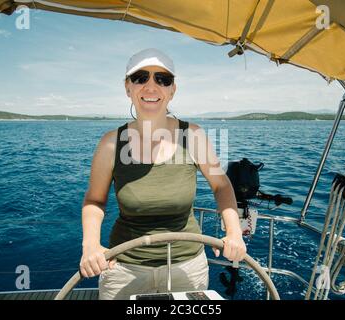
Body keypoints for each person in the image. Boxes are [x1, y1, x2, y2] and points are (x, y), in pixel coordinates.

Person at [80, 48, 246, 300]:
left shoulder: (194, 137)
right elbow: (94, 200)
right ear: (128, 87)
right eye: (140, 78)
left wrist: (233, 232)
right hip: (124, 267)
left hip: (187, 265)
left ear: (172, 90)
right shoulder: (110, 144)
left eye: (162, 79)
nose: (151, 86)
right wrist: (90, 245)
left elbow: (221, 186)